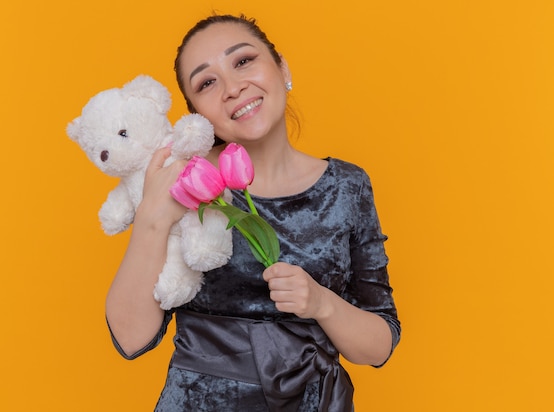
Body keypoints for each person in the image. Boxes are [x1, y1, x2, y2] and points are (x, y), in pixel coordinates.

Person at [105, 14, 400, 411]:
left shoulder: (347, 186)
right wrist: (152, 217)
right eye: (207, 82)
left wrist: (321, 303)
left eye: (243, 61)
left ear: (282, 69)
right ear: (197, 114)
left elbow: (379, 344)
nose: (232, 87)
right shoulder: (186, 180)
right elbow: (130, 339)